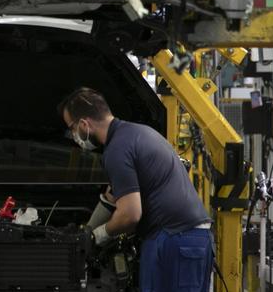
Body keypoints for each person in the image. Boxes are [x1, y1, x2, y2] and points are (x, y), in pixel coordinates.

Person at [58, 87, 214, 292]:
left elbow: (130, 214)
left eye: (72, 128)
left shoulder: (117, 150)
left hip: (174, 239)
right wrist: (86, 231)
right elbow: (112, 196)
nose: (74, 135)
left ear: (84, 124)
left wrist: (99, 236)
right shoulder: (134, 133)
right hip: (188, 238)